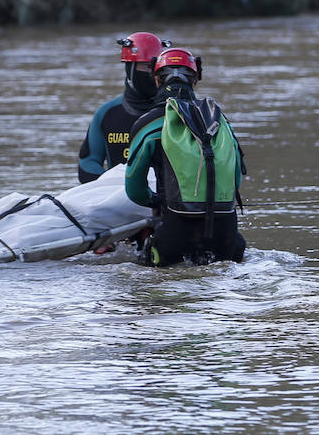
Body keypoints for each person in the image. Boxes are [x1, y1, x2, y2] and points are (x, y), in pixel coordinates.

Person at [125, 47, 247, 266]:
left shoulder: (148, 124)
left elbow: (134, 190)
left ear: (156, 80)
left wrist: (157, 200)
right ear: (195, 81)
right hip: (226, 237)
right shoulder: (221, 121)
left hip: (174, 235)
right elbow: (235, 181)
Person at [77, 31, 170, 183]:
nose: (151, 73)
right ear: (130, 68)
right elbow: (87, 164)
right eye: (146, 66)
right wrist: (115, 187)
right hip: (119, 198)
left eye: (156, 67)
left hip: (166, 199)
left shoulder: (177, 112)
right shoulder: (107, 113)